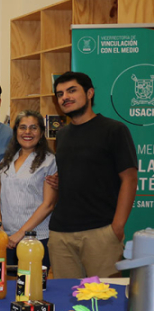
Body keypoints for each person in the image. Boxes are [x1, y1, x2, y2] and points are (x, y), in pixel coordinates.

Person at [48, 72, 137, 278]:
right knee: (68, 301)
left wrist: (117, 227)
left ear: (89, 93)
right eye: (60, 94)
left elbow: (130, 179)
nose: (65, 97)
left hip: (101, 232)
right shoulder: (61, 135)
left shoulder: (114, 130)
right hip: (61, 233)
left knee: (105, 300)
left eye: (72, 91)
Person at [0, 111, 58, 268]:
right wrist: (0, 228)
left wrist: (20, 234)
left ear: (41, 132)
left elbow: (48, 205)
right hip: (7, 240)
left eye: (33, 128)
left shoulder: (49, 162)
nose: (27, 132)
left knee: (34, 288)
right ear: (16, 133)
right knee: (7, 288)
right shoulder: (6, 161)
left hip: (36, 239)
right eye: (22, 127)